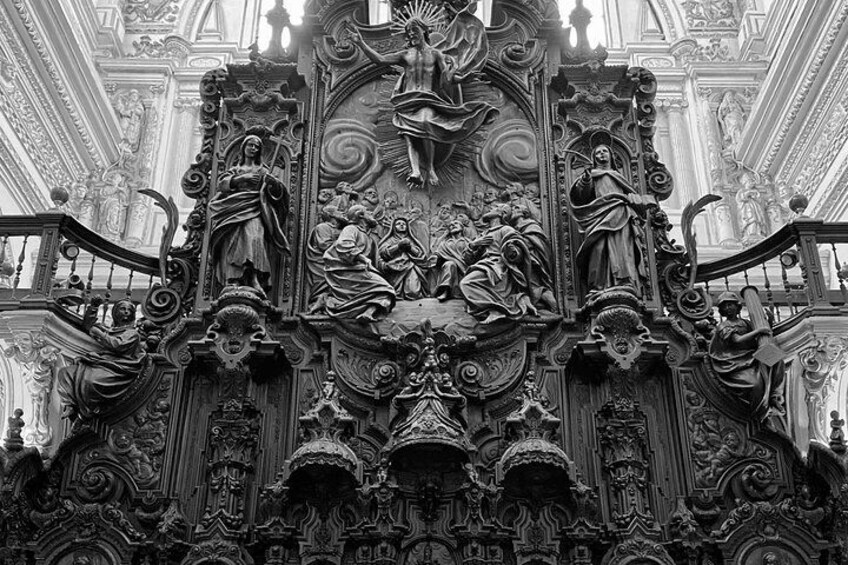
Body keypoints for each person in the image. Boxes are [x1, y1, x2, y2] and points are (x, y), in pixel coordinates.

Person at [347, 14, 497, 187]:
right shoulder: (405, 55)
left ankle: (431, 167)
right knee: (410, 136)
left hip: (428, 99)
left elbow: (447, 79)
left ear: (424, 30)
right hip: (407, 101)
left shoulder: (436, 55)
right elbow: (380, 59)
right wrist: (360, 43)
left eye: (414, 30)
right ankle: (416, 170)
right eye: (408, 31)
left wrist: (462, 78)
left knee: (426, 122)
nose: (411, 34)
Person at [208, 135, 289, 294]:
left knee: (254, 239)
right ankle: (233, 279)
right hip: (234, 209)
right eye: (250, 145)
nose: (253, 148)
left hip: (255, 209)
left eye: (256, 146)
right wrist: (241, 178)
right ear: (243, 147)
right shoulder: (235, 170)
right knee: (234, 242)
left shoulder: (263, 170)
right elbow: (222, 185)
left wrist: (274, 184)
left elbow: (278, 194)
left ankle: (254, 278)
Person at [569, 144, 650, 296]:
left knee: (622, 248)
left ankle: (624, 281)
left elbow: (631, 196)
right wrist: (585, 181)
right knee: (598, 247)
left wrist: (636, 200)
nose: (601, 155)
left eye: (604, 151)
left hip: (621, 214)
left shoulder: (617, 175)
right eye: (598, 153)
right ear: (593, 158)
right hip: (598, 215)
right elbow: (581, 197)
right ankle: (599, 285)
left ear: (611, 155)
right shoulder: (591, 175)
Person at [57, 298, 147, 424]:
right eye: (123, 308)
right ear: (115, 312)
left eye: (129, 310)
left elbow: (118, 345)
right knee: (65, 373)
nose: (126, 312)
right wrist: (93, 307)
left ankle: (91, 410)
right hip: (102, 362)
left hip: (119, 367)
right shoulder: (109, 330)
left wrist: (100, 334)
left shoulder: (132, 333)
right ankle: (70, 405)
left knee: (90, 380)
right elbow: (88, 325)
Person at [708, 292, 785, 423]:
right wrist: (758, 331)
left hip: (751, 357)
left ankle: (774, 396)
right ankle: (758, 415)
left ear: (737, 307)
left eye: (730, 304)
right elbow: (737, 340)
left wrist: (769, 322)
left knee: (777, 359)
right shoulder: (723, 326)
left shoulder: (745, 323)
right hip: (734, 362)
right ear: (722, 311)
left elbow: (761, 336)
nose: (728, 308)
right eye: (725, 306)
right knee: (755, 384)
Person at [459, 204, 536, 323]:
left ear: (502, 213)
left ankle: (497, 310)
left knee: (466, 283)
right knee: (466, 283)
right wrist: (473, 245)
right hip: (483, 265)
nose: (489, 209)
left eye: (494, 208)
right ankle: (494, 309)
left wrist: (512, 250)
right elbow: (468, 260)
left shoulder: (505, 229)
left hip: (497, 267)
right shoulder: (483, 234)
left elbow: (518, 249)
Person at [324, 205, 397, 322]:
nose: (372, 214)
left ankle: (367, 313)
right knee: (386, 289)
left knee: (386, 292)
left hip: (360, 271)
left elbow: (377, 261)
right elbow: (344, 245)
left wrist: (390, 267)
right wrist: (364, 259)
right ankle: (360, 310)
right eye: (369, 211)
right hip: (346, 271)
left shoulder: (371, 238)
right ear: (361, 215)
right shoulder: (351, 229)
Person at [305, 205, 347, 312]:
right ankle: (317, 307)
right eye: (338, 211)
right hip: (321, 264)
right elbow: (325, 245)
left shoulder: (338, 230)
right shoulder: (323, 227)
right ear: (330, 215)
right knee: (322, 286)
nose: (342, 213)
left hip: (334, 264)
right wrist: (344, 243)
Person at [378, 217, 430, 299]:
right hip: (394, 269)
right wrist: (398, 246)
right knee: (393, 292)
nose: (401, 225)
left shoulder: (412, 240)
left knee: (413, 292)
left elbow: (420, 255)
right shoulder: (390, 240)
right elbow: (383, 254)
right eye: (398, 224)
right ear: (393, 227)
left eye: (404, 224)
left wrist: (410, 248)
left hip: (410, 267)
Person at [432, 219, 471, 301]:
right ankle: (445, 290)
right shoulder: (445, 243)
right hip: (449, 268)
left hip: (464, 268)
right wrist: (436, 258)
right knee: (450, 264)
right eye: (451, 225)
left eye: (456, 223)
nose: (453, 225)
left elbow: (472, 256)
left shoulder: (468, 242)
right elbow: (438, 253)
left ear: (462, 228)